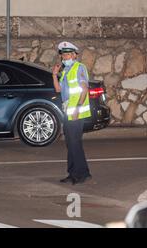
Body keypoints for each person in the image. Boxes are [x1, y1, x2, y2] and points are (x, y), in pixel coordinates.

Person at [52, 42, 92, 185]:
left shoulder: (79, 68)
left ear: (75, 55)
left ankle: (80, 174)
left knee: (74, 143)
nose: (65, 56)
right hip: (68, 112)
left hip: (76, 112)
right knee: (71, 144)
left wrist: (77, 108)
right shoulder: (66, 71)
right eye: (63, 54)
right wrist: (54, 75)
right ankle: (74, 173)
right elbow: (58, 90)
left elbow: (84, 89)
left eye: (68, 54)